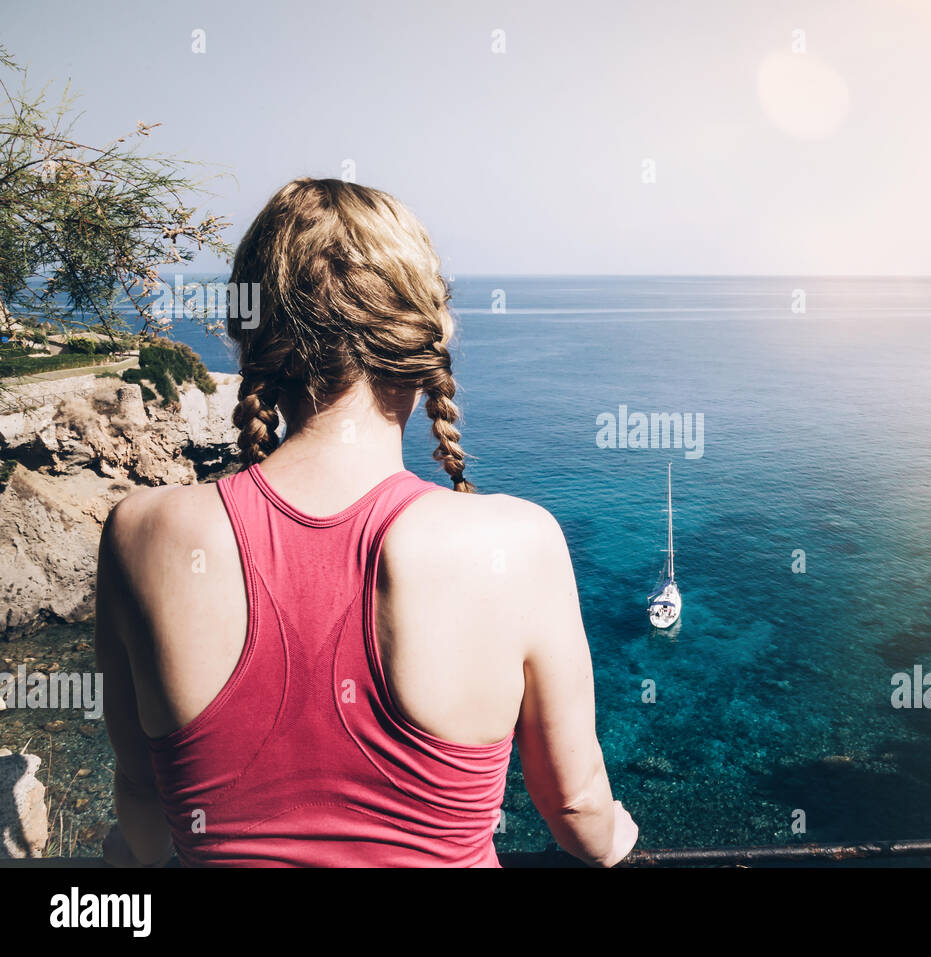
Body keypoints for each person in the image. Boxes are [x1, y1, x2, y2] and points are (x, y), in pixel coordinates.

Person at [95, 177, 638, 867]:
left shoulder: (141, 533)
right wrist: (621, 835)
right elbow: (575, 807)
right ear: (424, 341)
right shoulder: (518, 542)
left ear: (250, 338)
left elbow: (142, 803)